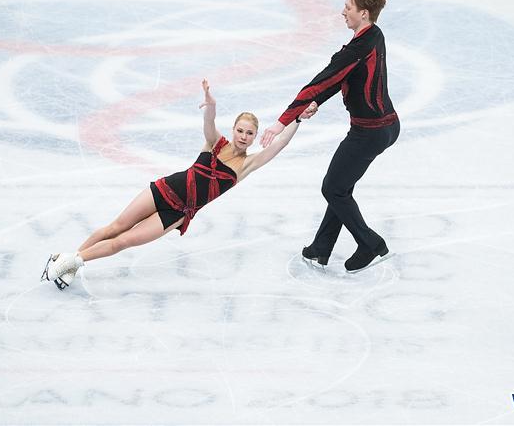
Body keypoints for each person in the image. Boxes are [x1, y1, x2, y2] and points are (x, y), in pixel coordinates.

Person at [42, 79, 318, 289]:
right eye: (240, 130)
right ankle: (71, 262)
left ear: (256, 136)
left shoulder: (246, 166)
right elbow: (209, 123)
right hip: (163, 190)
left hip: (176, 214)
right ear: (233, 130)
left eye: (250, 133)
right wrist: (211, 104)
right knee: (116, 227)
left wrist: (297, 119)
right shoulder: (215, 143)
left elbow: (279, 145)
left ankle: (69, 260)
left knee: (123, 242)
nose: (244, 136)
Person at [260, 0, 399, 273]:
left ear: (363, 13)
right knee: (340, 186)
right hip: (386, 126)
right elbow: (343, 79)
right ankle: (320, 249)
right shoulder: (375, 36)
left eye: (348, 7)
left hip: (368, 132)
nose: (342, 12)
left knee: (333, 188)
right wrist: (317, 103)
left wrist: (281, 121)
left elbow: (323, 80)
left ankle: (371, 244)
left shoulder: (357, 49)